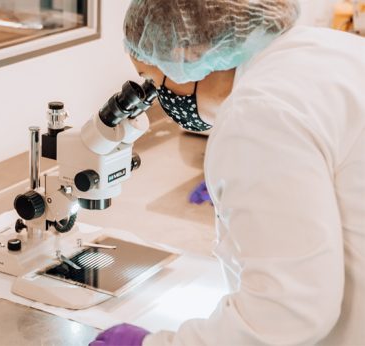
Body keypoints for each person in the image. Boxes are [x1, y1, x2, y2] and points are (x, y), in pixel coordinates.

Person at [90, 0, 365, 345]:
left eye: (153, 79)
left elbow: (284, 313)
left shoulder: (257, 112)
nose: (159, 97)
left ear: (187, 52)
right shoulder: (334, 50)